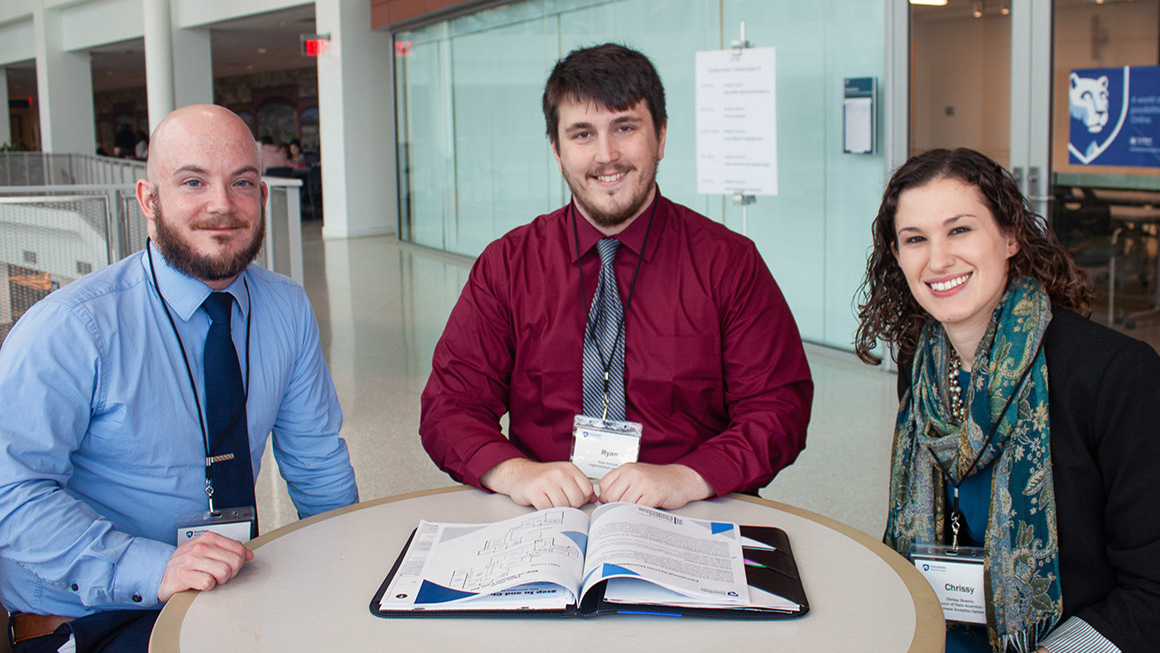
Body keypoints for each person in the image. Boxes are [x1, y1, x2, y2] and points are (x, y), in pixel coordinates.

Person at [0, 104, 358, 652]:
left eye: (242, 182)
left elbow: (316, 461)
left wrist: (353, 570)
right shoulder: (73, 328)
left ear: (262, 198)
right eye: (193, 181)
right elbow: (12, 494)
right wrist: (153, 567)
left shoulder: (284, 307)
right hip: (91, 615)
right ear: (149, 199)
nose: (222, 205)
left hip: (231, 595)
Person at [420, 43, 812, 512]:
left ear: (661, 137)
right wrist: (513, 473)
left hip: (687, 514)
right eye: (582, 134)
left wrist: (690, 477)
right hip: (543, 521)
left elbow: (778, 408)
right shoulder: (507, 265)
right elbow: (449, 407)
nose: (606, 156)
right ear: (557, 150)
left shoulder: (729, 263)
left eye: (624, 128)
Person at [854, 148, 1160, 653]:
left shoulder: (1113, 375)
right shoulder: (920, 362)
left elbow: (1150, 588)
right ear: (897, 254)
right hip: (934, 631)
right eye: (915, 239)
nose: (938, 260)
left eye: (960, 230)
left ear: (1011, 235)